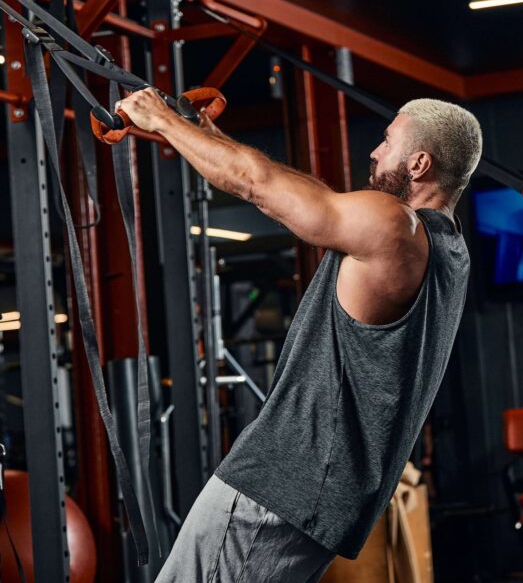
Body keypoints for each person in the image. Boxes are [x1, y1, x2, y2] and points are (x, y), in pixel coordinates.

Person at [118, 90, 482, 582]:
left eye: (387, 141)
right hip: (318, 494)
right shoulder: (449, 250)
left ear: (418, 163)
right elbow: (294, 190)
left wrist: (160, 119)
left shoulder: (395, 226)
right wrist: (206, 135)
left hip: (279, 486)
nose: (375, 152)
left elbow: (256, 184)